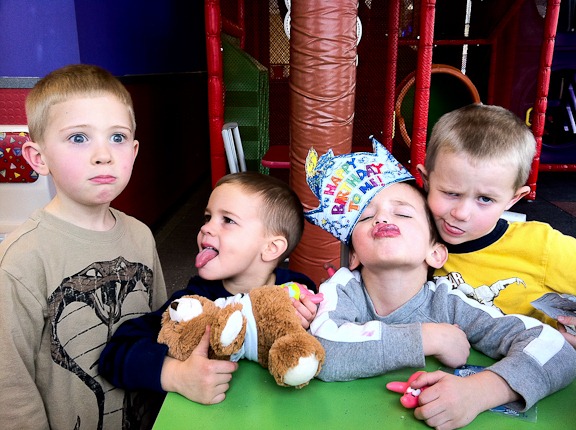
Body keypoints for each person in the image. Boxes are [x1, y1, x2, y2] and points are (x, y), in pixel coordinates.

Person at [304, 140, 576, 429]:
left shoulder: (447, 302)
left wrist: (478, 392)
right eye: (367, 216)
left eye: (403, 214)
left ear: (435, 253)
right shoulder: (340, 288)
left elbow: (554, 347)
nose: (382, 218)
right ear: (354, 256)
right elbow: (317, 351)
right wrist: (427, 338)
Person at [0, 64, 167, 429]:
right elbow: (9, 385)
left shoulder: (141, 235)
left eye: (117, 137)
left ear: (134, 151)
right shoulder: (22, 259)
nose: (103, 154)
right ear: (39, 158)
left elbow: (163, 328)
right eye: (78, 138)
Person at [99, 171, 317, 406]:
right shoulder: (192, 302)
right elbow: (115, 354)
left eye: (228, 220)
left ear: (271, 248)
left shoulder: (300, 293)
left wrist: (313, 323)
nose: (207, 228)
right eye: (207, 217)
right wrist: (176, 375)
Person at [416, 104, 576, 347]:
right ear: (426, 180)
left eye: (485, 199)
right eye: (451, 193)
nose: (461, 213)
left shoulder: (540, 245)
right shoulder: (410, 235)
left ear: (513, 199)